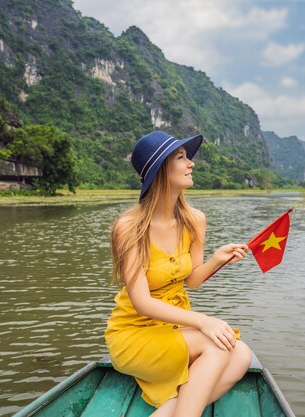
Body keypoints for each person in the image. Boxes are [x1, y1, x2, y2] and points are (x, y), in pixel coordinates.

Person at [105, 130, 252, 417]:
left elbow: (192, 280)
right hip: (134, 334)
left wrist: (217, 259)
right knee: (219, 344)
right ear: (160, 169)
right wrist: (203, 321)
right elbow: (142, 303)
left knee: (242, 354)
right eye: (181, 157)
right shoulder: (129, 227)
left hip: (172, 330)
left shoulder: (195, 220)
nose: (191, 163)